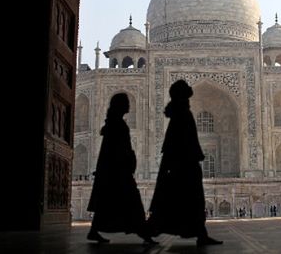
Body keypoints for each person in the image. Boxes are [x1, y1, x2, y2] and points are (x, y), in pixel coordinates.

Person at [147, 80, 223, 246]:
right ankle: (149, 231)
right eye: (187, 93)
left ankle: (200, 234)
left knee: (177, 201)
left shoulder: (179, 112)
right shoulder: (182, 113)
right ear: (182, 95)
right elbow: (183, 140)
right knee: (186, 201)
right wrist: (196, 156)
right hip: (184, 166)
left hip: (181, 165)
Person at [86, 93, 157, 245]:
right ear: (120, 106)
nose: (129, 106)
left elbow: (107, 152)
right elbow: (117, 150)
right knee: (132, 202)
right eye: (126, 103)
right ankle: (144, 233)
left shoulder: (113, 123)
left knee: (107, 203)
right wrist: (127, 163)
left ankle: (94, 230)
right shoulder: (117, 125)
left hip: (113, 171)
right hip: (118, 171)